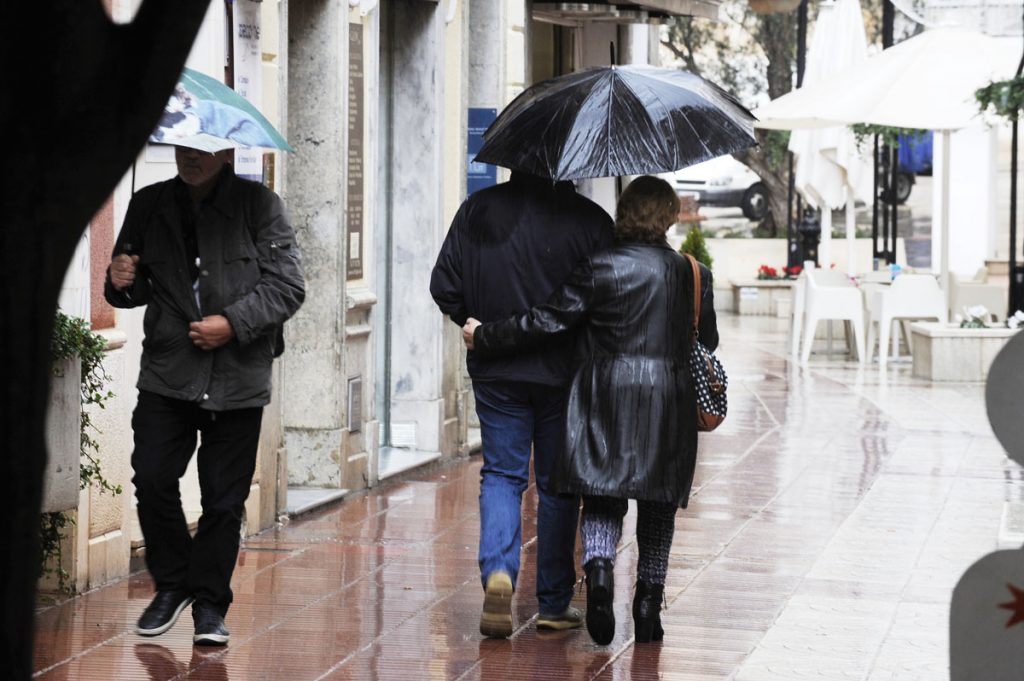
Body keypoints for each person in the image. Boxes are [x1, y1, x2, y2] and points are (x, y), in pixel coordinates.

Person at [462, 175, 718, 646]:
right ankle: (647, 606)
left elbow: (549, 319)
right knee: (658, 505)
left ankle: (598, 576)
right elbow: (708, 341)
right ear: (669, 216)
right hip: (668, 402)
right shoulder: (692, 272)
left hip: (608, 396)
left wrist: (486, 336)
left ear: (625, 213)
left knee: (603, 493)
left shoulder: (600, 265)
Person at [105, 145, 305, 646]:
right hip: (168, 373)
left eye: (202, 150)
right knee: (152, 478)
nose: (190, 158)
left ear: (226, 151)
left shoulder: (259, 205)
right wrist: (119, 282)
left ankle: (210, 606)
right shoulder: (149, 202)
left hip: (237, 378)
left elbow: (288, 286)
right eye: (182, 148)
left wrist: (232, 324)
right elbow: (130, 288)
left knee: (222, 502)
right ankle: (172, 585)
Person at [430, 170, 613, 638]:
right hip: (562, 375)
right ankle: (552, 603)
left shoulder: (477, 209)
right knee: (556, 486)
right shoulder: (590, 221)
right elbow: (605, 300)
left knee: (503, 474)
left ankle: (499, 572)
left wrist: (474, 323)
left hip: (496, 368)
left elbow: (443, 285)